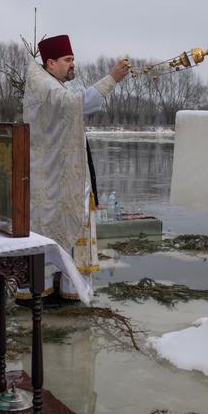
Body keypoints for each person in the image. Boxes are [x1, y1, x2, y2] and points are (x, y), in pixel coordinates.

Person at [20, 34, 129, 303]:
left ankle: (60, 288)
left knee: (57, 228)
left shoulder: (49, 83)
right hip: (53, 179)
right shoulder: (45, 86)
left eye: (72, 59)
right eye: (67, 60)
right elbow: (79, 103)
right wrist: (112, 78)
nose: (72, 64)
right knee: (55, 227)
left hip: (54, 175)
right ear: (51, 62)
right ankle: (56, 290)